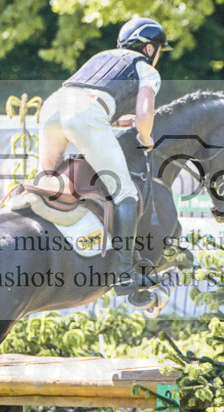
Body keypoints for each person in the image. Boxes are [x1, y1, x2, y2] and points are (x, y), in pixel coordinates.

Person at [37, 17, 172, 295]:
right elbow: (145, 114)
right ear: (149, 49)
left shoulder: (101, 56)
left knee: (45, 183)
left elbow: (84, 100)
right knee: (125, 194)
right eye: (158, 50)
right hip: (85, 113)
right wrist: (145, 139)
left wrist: (112, 123)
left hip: (52, 107)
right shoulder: (145, 68)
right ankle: (123, 276)